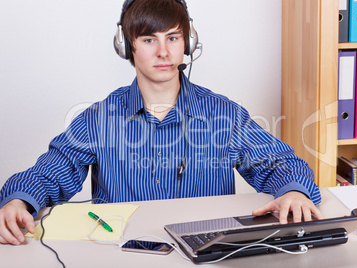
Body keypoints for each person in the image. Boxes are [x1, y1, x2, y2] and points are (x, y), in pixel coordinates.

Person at [0, 0, 322, 246]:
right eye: (149, 40)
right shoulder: (98, 119)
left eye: (173, 38)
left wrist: (294, 191)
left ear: (188, 44)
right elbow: (49, 172)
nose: (164, 52)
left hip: (210, 252)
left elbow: (279, 162)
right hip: (123, 254)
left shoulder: (224, 115)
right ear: (127, 46)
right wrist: (18, 200)